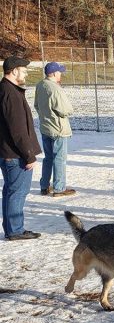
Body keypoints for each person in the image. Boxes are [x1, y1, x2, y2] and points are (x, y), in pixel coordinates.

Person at [0, 55, 42, 241]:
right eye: (23, 70)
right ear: (14, 71)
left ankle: (12, 228)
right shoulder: (10, 93)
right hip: (15, 154)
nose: (25, 74)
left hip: (9, 152)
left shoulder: (7, 90)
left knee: (11, 191)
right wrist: (29, 154)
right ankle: (15, 230)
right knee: (17, 192)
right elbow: (17, 129)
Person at [34, 61, 76, 197]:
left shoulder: (40, 85)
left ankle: (44, 186)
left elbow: (36, 105)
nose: (61, 74)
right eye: (59, 72)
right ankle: (59, 188)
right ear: (53, 73)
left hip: (45, 127)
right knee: (59, 158)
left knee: (48, 158)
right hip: (58, 129)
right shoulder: (55, 88)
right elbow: (65, 110)